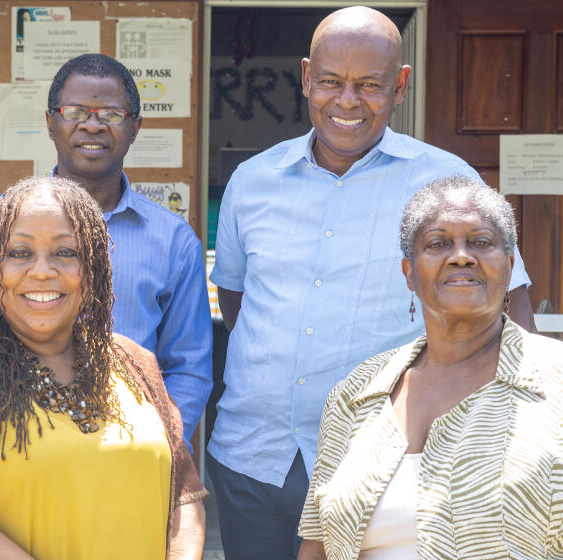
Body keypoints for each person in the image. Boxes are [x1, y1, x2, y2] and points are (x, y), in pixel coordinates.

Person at [207, 6, 536, 558]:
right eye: (331, 82)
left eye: (369, 85)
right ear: (307, 77)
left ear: (400, 86)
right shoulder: (252, 180)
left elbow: (510, 307)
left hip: (390, 462)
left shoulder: (446, 182)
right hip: (252, 457)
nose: (347, 102)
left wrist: (521, 426)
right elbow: (239, 300)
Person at [297, 176, 563, 560]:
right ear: (409, 273)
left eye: (481, 242)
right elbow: (317, 548)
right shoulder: (356, 395)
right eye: (437, 243)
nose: (461, 255)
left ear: (510, 266)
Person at [0, 177, 207, 559]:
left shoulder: (134, 363)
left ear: (93, 271)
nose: (42, 271)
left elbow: (185, 500)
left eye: (66, 253)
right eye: (19, 253)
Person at [0, 54, 212, 447]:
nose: (92, 124)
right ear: (51, 123)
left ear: (135, 127)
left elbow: (188, 369)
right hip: (11, 446)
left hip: (126, 452)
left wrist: (159, 447)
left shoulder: (173, 242)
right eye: (76, 111)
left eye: (112, 114)